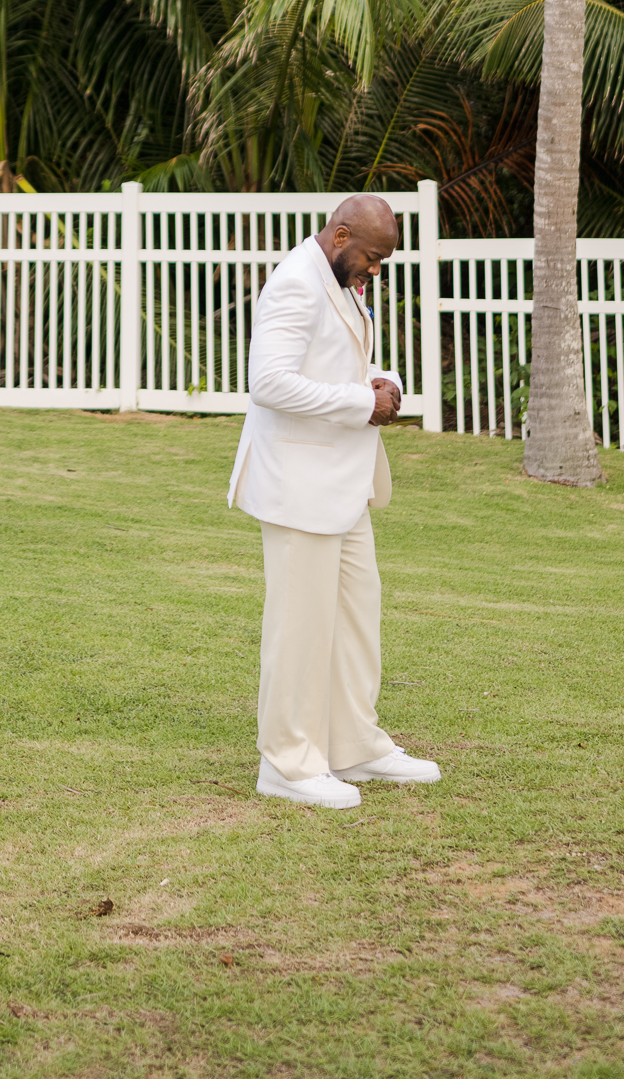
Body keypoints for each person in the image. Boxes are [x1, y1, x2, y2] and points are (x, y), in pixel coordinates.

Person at [227, 195, 442, 810]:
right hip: (299, 485)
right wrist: (359, 404)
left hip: (343, 484)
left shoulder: (338, 276)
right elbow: (268, 382)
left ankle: (355, 746)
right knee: (300, 628)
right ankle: (288, 765)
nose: (375, 270)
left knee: (355, 620)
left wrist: (385, 383)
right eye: (372, 257)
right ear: (341, 233)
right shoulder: (296, 281)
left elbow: (338, 361)